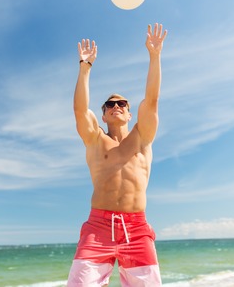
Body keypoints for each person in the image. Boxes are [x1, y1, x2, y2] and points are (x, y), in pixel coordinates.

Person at [67, 23, 168, 287]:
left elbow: (152, 100)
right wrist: (84, 68)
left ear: (129, 112)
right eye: (110, 104)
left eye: (121, 103)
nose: (116, 106)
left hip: (136, 230)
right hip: (98, 229)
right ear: (103, 114)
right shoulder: (95, 140)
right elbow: (79, 111)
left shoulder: (142, 137)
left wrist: (154, 56)